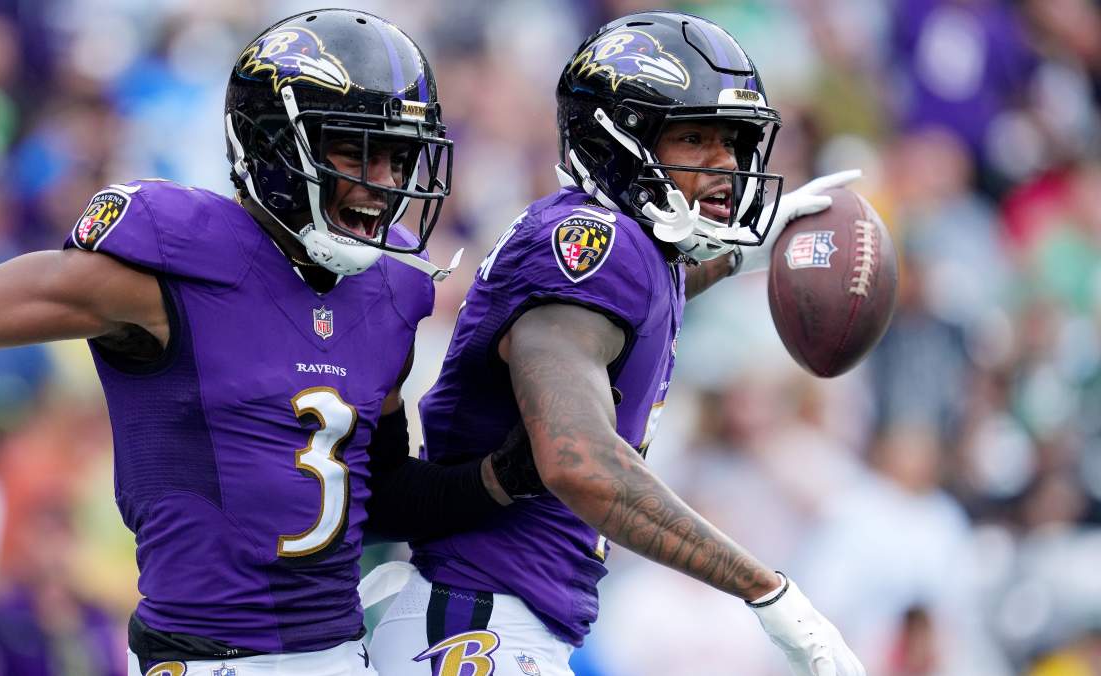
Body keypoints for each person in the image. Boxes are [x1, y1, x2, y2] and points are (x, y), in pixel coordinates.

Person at [0, 9, 539, 676]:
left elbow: (375, 496)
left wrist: (505, 475)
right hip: (204, 660)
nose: (383, 182)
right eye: (357, 150)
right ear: (274, 144)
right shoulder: (173, 261)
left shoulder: (391, 289)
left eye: (399, 156)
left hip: (338, 655)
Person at [367, 11, 867, 676]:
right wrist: (765, 590)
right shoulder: (594, 246)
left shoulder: (632, 252)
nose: (725, 165)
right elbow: (578, 461)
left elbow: (652, 299)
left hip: (496, 621)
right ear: (616, 141)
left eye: (733, 142)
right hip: (476, 625)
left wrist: (752, 250)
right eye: (695, 139)